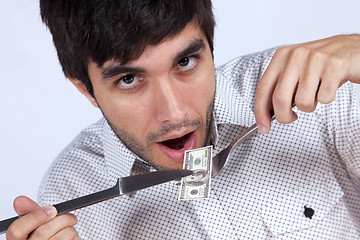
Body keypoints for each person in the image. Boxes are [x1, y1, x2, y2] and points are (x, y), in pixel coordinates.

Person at [5, 0, 360, 239]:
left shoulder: (318, 90)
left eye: (186, 62)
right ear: (86, 89)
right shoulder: (70, 194)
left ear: (210, 45)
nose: (175, 114)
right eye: (129, 79)